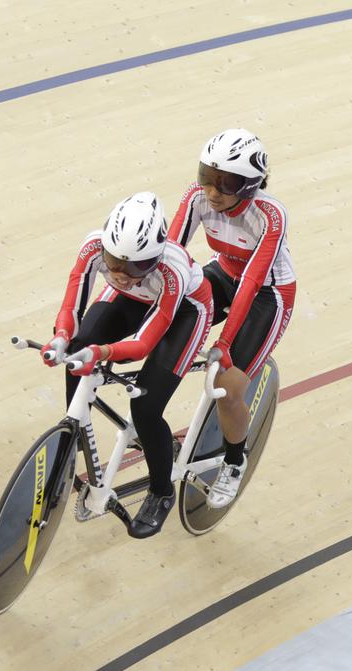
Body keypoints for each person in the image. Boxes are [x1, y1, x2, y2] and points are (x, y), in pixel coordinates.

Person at [43, 191, 213, 538]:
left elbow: (143, 344)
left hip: (184, 312)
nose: (120, 273)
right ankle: (72, 439)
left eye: (134, 266)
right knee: (76, 348)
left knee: (145, 407)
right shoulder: (93, 247)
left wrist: (102, 354)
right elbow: (72, 307)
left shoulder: (172, 268)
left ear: (153, 257)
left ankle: (162, 491)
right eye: (114, 262)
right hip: (133, 299)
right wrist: (61, 337)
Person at [167, 129, 296, 509]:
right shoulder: (197, 198)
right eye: (207, 176)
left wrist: (223, 344)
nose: (211, 191)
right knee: (167, 333)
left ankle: (234, 460)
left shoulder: (269, 216)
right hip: (223, 273)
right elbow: (173, 254)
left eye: (225, 183)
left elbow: (252, 283)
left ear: (251, 185)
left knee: (228, 384)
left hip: (266, 294)